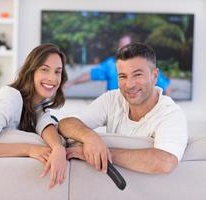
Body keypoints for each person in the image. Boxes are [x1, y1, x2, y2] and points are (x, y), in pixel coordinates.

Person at [59, 43, 188, 174]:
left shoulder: (171, 113)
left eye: (137, 75)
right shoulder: (112, 99)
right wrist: (90, 138)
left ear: (155, 76)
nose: (129, 84)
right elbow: (65, 124)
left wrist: (102, 153)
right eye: (123, 76)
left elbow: (165, 162)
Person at [0, 43, 68, 188]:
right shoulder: (11, 97)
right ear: (31, 72)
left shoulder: (35, 108)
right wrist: (29, 149)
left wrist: (58, 148)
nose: (52, 78)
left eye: (57, 72)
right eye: (44, 69)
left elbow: (45, 123)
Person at [65, 35, 171, 95]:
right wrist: (71, 82)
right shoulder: (111, 64)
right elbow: (91, 74)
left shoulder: (146, 65)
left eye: (125, 46)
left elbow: (166, 89)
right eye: (120, 46)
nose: (121, 49)